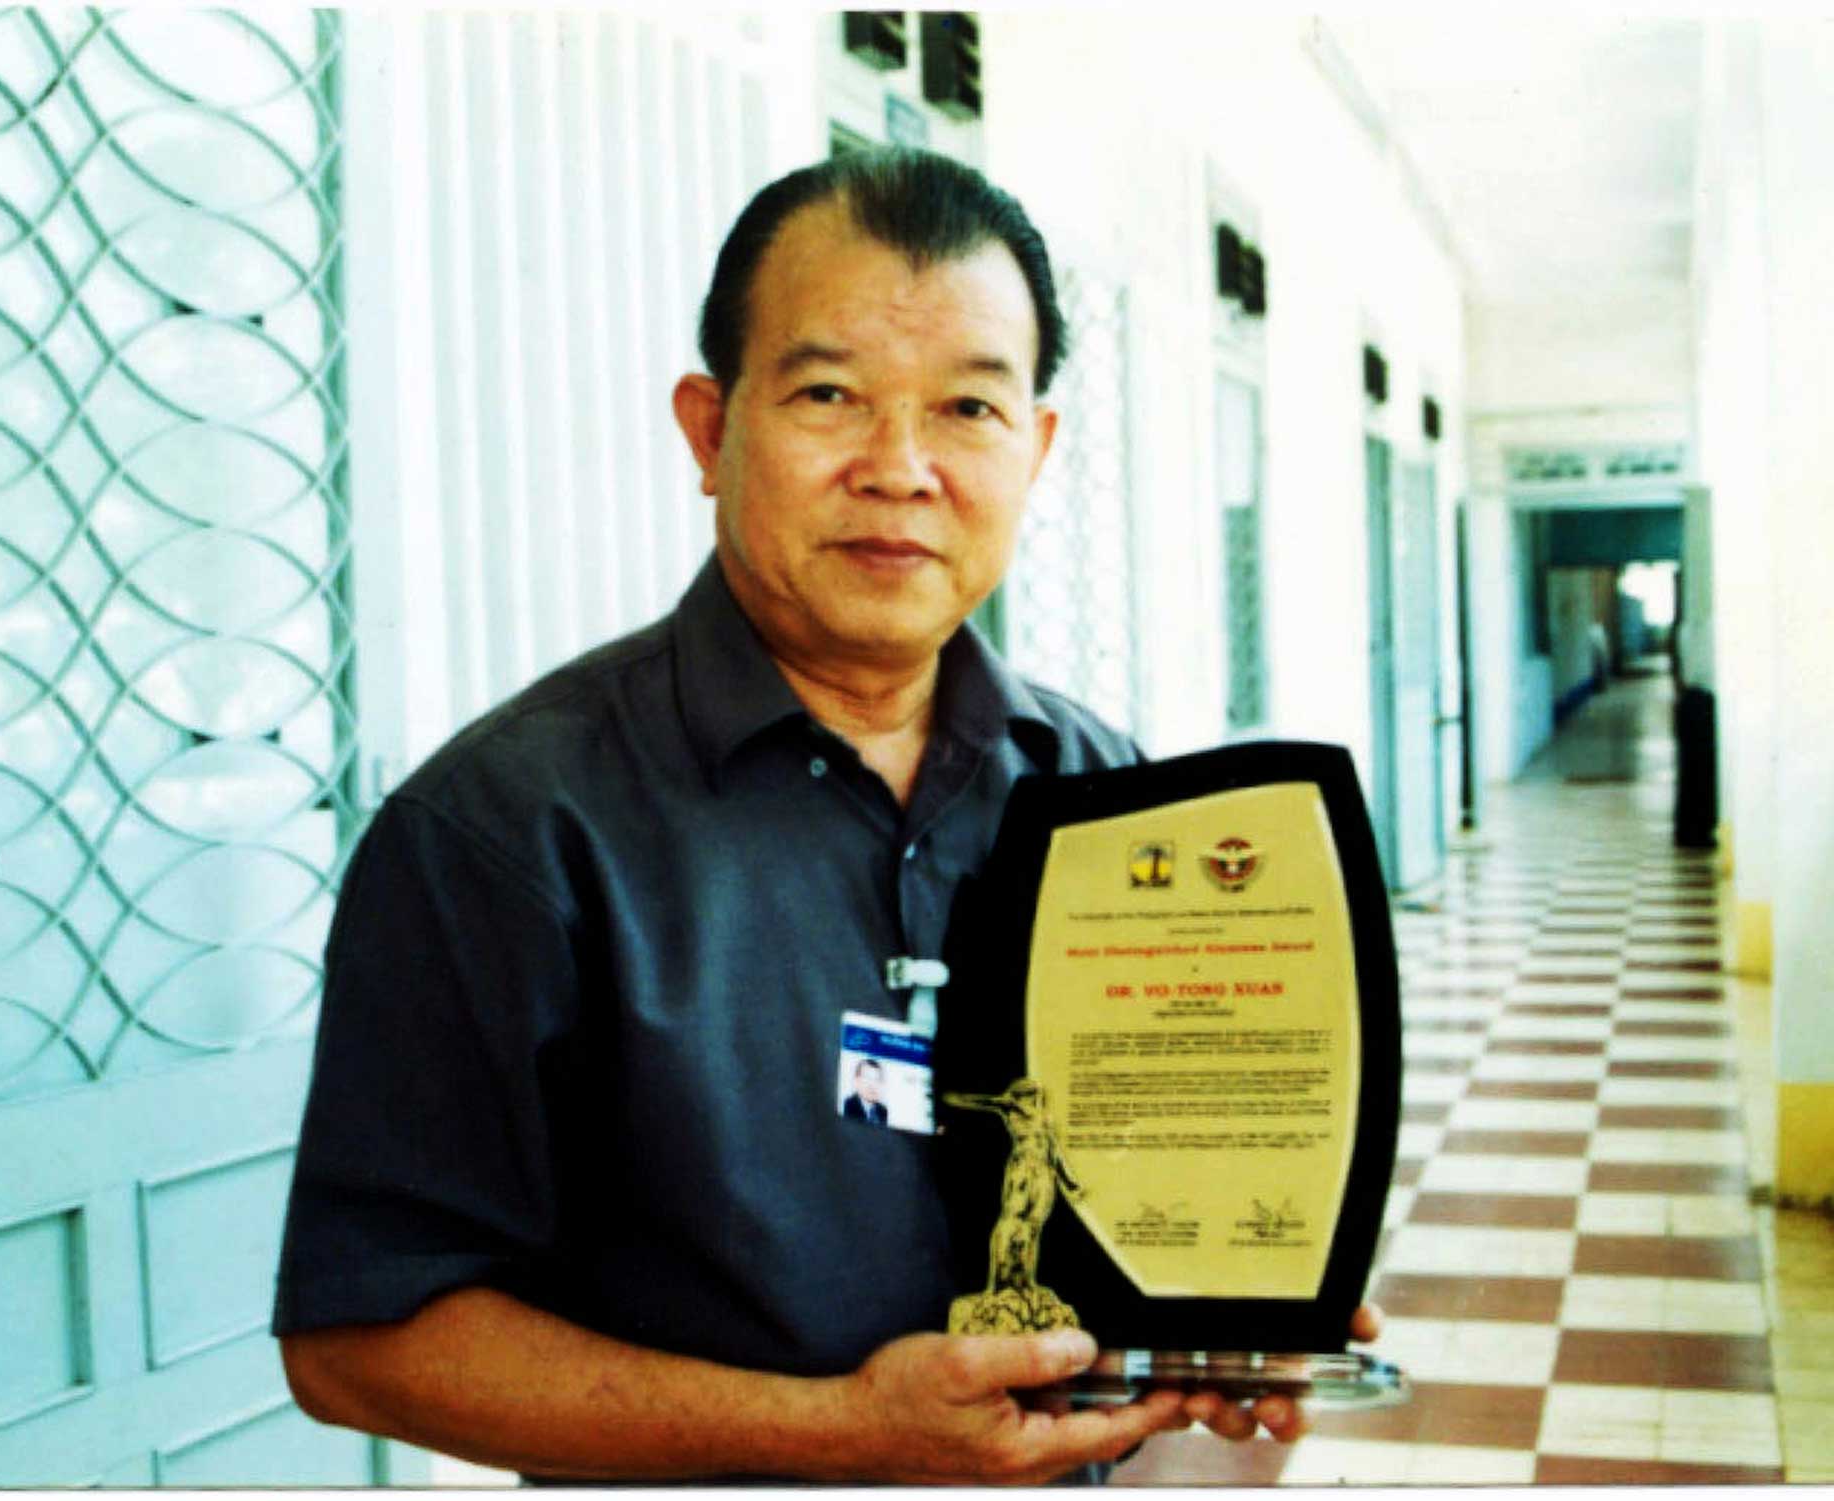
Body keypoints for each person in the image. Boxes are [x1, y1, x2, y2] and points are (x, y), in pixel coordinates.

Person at [273, 146, 1378, 1484]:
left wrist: (1224, 1302)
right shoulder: (506, 829)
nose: (899, 467)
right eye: (829, 394)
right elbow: (357, 1340)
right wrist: (845, 1434)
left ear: (1032, 449)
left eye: (967, 410)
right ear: (708, 427)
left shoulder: (1099, 791)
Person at [843, 1056, 890, 1125]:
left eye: (877, 1080)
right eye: (867, 1079)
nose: (872, 1085)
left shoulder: (883, 1110)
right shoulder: (849, 1104)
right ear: (856, 1081)